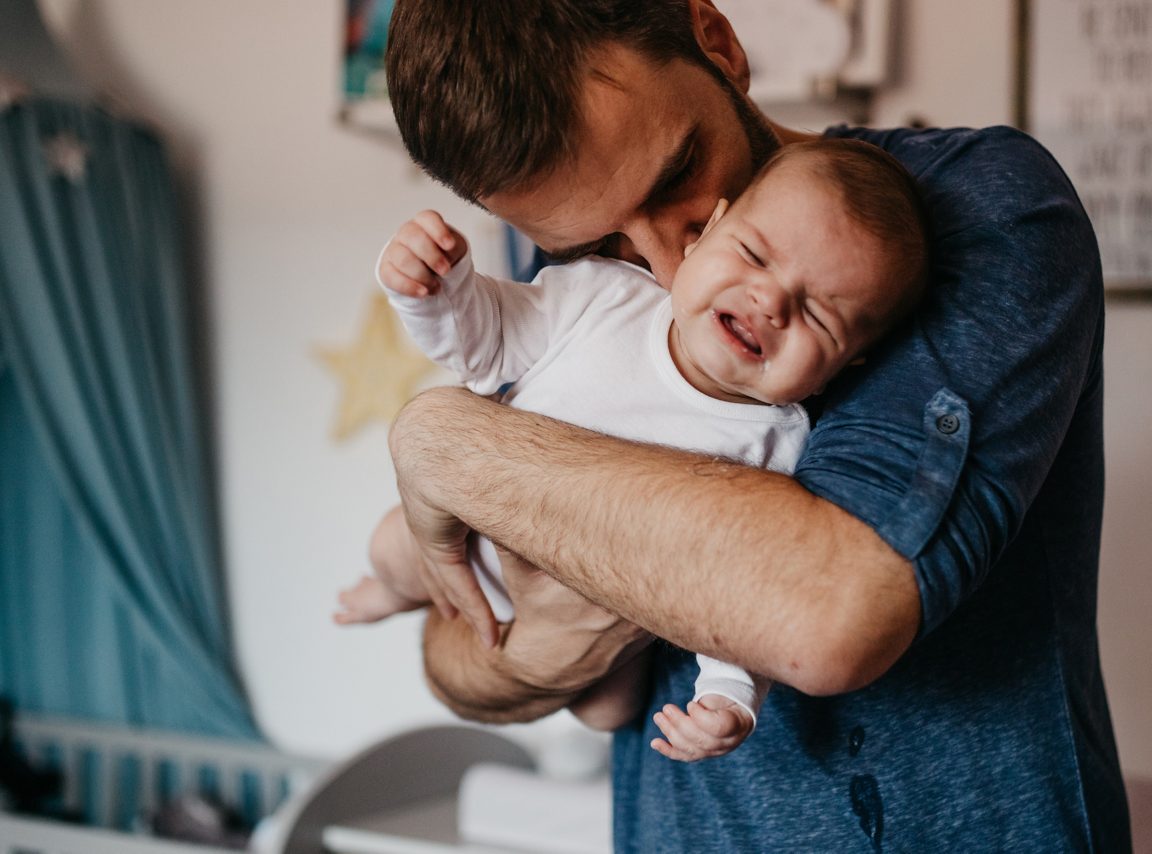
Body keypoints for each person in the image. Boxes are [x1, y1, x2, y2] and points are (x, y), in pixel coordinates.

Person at [377, 1, 1129, 850]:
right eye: (599, 246)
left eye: (675, 182)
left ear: (718, 42)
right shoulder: (584, 293)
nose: (667, 268)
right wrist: (559, 622)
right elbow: (457, 660)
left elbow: (827, 619)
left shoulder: (973, 206)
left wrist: (441, 441)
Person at [335, 138, 929, 762]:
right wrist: (439, 289)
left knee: (610, 710)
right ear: (704, 233)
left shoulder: (778, 444)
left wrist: (729, 698)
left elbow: (730, 592)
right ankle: (397, 593)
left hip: (602, 603)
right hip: (472, 536)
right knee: (389, 545)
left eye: (819, 315)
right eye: (753, 255)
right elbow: (483, 346)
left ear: (850, 361)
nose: (772, 301)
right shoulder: (603, 297)